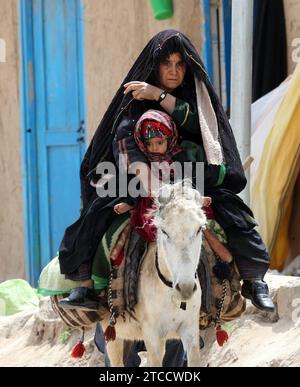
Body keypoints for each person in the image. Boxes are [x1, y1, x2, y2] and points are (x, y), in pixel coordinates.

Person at [58, 29, 274, 315]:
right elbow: (126, 148)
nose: (173, 71)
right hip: (138, 181)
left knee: (237, 214)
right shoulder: (134, 101)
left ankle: (253, 280)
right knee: (96, 217)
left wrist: (159, 96)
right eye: (166, 64)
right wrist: (159, 189)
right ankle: (87, 287)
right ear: (154, 66)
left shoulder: (195, 98)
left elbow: (207, 131)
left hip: (193, 178)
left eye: (180, 64)